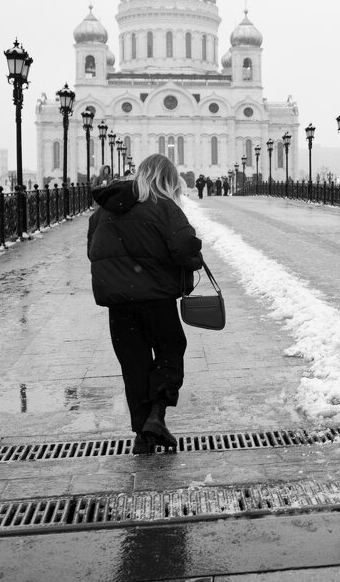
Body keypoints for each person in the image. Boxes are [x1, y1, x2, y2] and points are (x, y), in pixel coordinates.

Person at [88, 153, 204, 454]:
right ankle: (156, 415)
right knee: (170, 350)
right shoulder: (164, 207)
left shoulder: (104, 210)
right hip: (156, 299)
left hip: (118, 302)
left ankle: (143, 435)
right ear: (167, 179)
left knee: (134, 363)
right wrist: (193, 256)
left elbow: (93, 249)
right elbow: (183, 247)